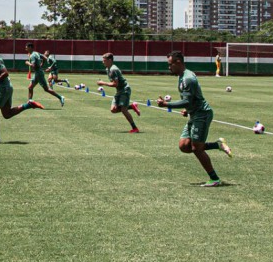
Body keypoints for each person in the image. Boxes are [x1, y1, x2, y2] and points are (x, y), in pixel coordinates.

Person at [155, 51, 232, 186]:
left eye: (170, 64)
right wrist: (188, 109)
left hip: (202, 114)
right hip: (194, 113)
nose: (169, 67)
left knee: (197, 149)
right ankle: (217, 144)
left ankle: (214, 179)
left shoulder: (187, 78)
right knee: (184, 146)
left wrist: (166, 104)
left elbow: (187, 101)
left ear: (178, 62)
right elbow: (191, 99)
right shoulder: (182, 76)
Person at [0, 42, 43, 144]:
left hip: (4, 88)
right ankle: (28, 105)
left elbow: (5, 73)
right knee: (7, 114)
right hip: (5, 87)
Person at [96, 53, 141, 132]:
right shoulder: (108, 69)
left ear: (110, 60)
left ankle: (135, 128)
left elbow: (115, 84)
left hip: (125, 90)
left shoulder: (113, 70)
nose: (103, 62)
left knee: (123, 110)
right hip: (119, 90)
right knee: (113, 110)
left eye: (104, 60)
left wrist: (103, 83)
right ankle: (132, 106)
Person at [24, 42, 64, 107]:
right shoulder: (36, 53)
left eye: (26, 47)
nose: (25, 48)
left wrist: (27, 63)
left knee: (46, 89)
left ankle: (60, 97)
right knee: (30, 87)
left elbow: (33, 66)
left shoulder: (32, 55)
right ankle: (30, 102)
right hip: (38, 73)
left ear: (30, 47)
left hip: (39, 73)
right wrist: (42, 63)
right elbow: (44, 57)